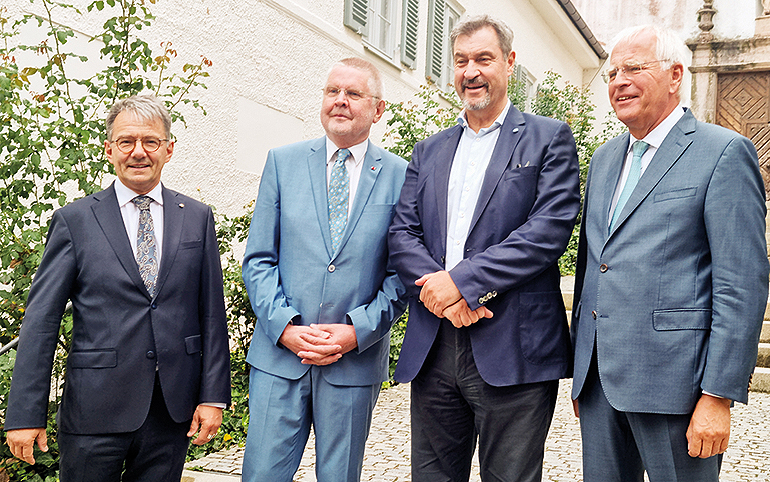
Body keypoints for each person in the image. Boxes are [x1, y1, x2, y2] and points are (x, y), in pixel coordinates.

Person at [570, 25, 769, 482]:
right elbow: (593, 265)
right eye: (612, 72)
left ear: (676, 74)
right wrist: (582, 367)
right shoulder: (602, 160)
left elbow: (741, 284)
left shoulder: (722, 152)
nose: (619, 81)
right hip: (600, 384)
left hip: (677, 387)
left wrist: (718, 395)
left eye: (634, 68)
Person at [388, 14, 580, 482]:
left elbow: (547, 232)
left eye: (483, 59)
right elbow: (400, 234)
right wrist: (443, 295)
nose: (470, 71)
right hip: (435, 346)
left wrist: (462, 283)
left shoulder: (548, 137)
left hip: (514, 345)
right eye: (460, 61)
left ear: (509, 63)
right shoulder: (429, 150)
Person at [4, 95, 231, 481]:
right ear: (110, 150)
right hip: (95, 410)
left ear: (169, 149)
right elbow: (41, 321)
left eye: (150, 141)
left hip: (170, 409)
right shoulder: (74, 221)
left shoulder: (197, 217)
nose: (138, 152)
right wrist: (25, 413)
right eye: (126, 142)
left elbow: (211, 312)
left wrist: (213, 396)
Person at [240, 57, 407, 482]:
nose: (340, 101)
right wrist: (285, 327)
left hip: (353, 363)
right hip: (280, 357)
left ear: (378, 109)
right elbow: (259, 259)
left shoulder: (402, 176)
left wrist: (358, 331)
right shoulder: (282, 162)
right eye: (333, 91)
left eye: (353, 94)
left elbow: (404, 273)